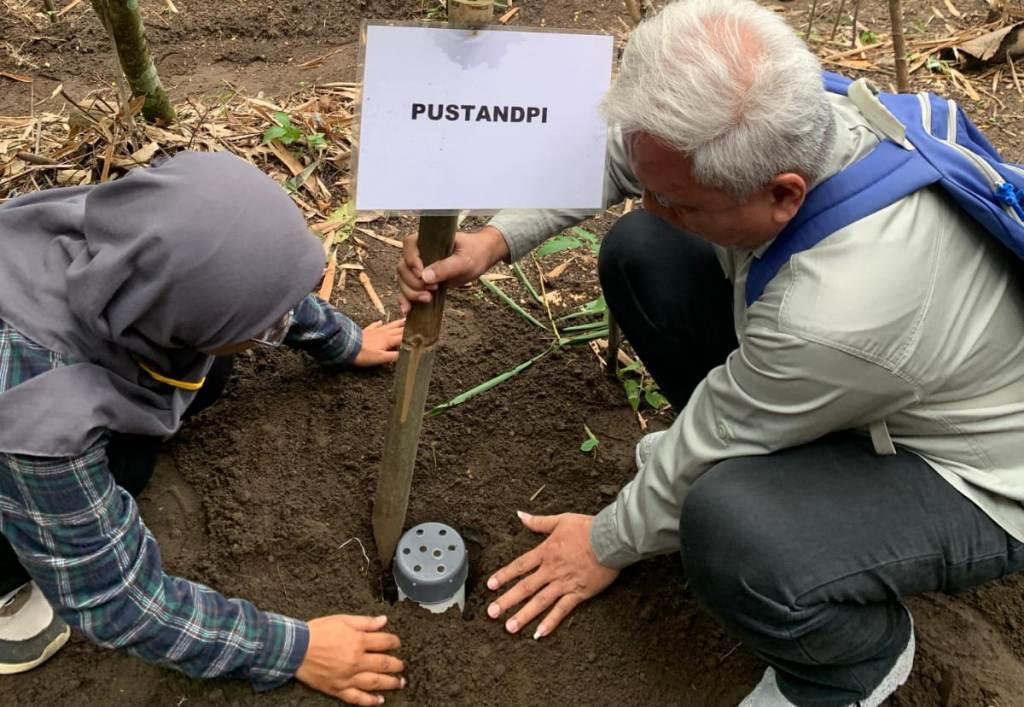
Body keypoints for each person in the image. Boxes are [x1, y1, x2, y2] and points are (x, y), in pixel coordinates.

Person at [396, 1, 1024, 705]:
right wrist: (494, 241)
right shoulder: (798, 113)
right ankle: (796, 471)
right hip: (876, 377)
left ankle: (851, 662)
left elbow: (719, 430)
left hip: (980, 474)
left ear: (783, 194)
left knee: (727, 523)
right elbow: (629, 155)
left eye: (677, 200)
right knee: (645, 249)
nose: (650, 201)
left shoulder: (837, 311)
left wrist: (604, 541)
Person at [0, 151, 407, 706]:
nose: (279, 325)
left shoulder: (137, 231)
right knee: (98, 480)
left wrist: (341, 340)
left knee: (213, 363)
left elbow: (243, 276)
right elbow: (118, 601)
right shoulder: (40, 412)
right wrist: (291, 650)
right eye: (270, 324)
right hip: (17, 431)